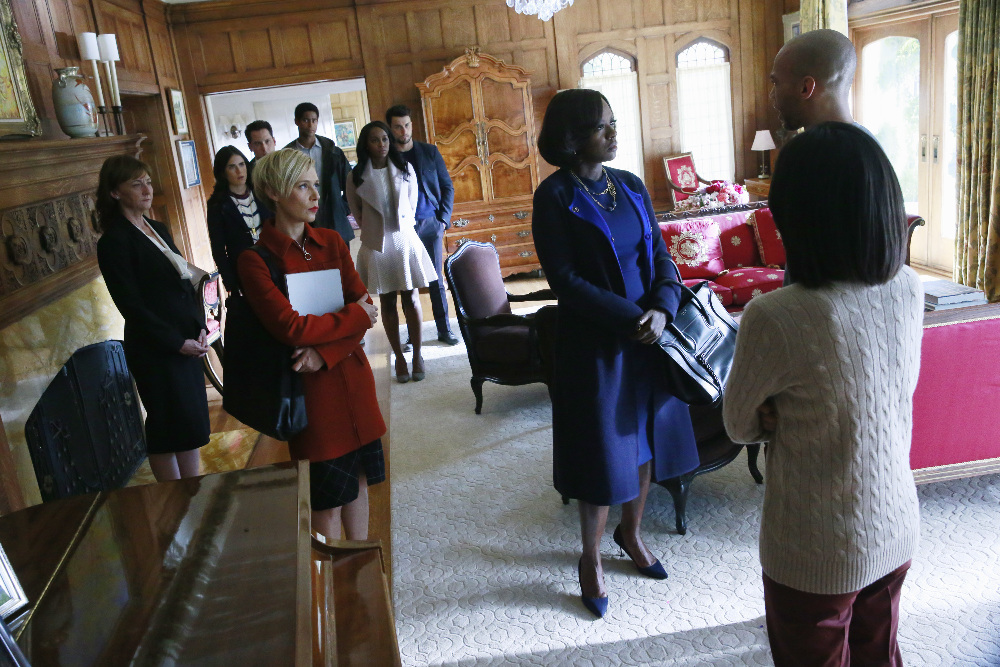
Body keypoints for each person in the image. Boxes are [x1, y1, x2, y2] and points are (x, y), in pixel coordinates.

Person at [722, 123, 922, 666]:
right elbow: (889, 391)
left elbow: (737, 423)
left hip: (817, 546)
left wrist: (777, 415)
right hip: (896, 520)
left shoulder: (776, 315)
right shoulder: (908, 286)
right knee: (880, 656)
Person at [532, 89, 699, 618]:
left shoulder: (628, 186)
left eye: (613, 123)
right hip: (597, 346)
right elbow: (566, 280)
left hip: (653, 337)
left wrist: (662, 310)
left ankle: (632, 534)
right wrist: (632, 318)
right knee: (603, 453)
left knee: (647, 439)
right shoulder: (554, 196)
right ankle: (590, 559)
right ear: (573, 136)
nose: (614, 132)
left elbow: (660, 257)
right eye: (603, 126)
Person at [238, 148, 385, 540]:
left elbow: (366, 306)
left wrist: (326, 353)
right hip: (311, 397)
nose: (315, 196)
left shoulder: (333, 242)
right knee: (327, 501)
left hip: (353, 379)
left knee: (359, 483)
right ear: (274, 192)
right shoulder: (255, 261)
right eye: (303, 187)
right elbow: (292, 328)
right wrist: (356, 316)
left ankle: (365, 572)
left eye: (315, 185)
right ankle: (336, 590)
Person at [95, 155, 211, 482]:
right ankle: (174, 501)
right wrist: (176, 343)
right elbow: (131, 306)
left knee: (189, 425)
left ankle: (194, 492)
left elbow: (184, 281)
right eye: (136, 183)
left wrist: (200, 327)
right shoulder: (114, 242)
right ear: (115, 193)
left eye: (147, 181)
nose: (147, 189)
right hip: (156, 349)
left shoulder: (156, 228)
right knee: (166, 427)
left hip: (186, 339)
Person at [347, 121, 437, 384]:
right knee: (386, 302)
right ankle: (398, 356)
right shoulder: (356, 176)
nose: (382, 144)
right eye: (375, 140)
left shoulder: (404, 167)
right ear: (366, 144)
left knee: (411, 297)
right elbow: (357, 213)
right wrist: (376, 230)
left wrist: (400, 227)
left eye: (385, 139)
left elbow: (412, 202)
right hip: (377, 243)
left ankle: (418, 354)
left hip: (404, 237)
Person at [386, 104, 459, 346]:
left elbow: (447, 186)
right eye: (397, 126)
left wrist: (443, 220)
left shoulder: (429, 152)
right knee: (406, 281)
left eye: (406, 125)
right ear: (391, 128)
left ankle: (444, 329)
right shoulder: (386, 158)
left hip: (431, 223)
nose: (403, 130)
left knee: (436, 278)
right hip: (401, 228)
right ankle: (411, 333)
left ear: (411, 125)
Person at [284, 103, 354, 243]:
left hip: (333, 215)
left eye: (314, 120)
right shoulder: (288, 155)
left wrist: (344, 207)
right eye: (306, 120)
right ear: (297, 122)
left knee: (340, 260)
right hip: (303, 216)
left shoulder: (332, 151)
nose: (311, 125)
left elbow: (350, 182)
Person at [206, 145, 269, 296]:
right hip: (243, 268)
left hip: (272, 261)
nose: (239, 171)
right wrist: (230, 283)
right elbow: (218, 249)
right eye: (232, 167)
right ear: (223, 172)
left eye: (241, 165)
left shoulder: (261, 192)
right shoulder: (217, 204)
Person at [770, 28, 857, 132]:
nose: (771, 95)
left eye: (776, 83)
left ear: (805, 88)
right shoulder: (868, 144)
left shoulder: (813, 147)